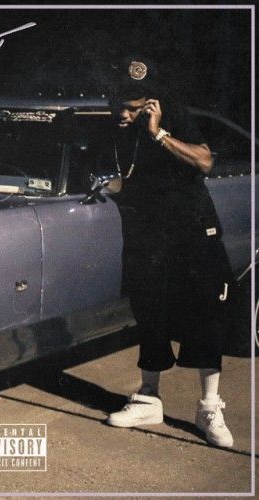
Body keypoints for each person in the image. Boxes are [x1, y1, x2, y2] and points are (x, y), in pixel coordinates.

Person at [103, 58, 235, 448]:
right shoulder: (116, 128)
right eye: (119, 105)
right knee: (150, 312)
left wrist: (159, 133)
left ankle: (209, 407)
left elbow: (205, 160)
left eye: (132, 107)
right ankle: (149, 399)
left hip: (193, 231)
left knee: (204, 316)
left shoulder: (174, 115)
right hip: (150, 234)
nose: (123, 114)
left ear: (151, 103)